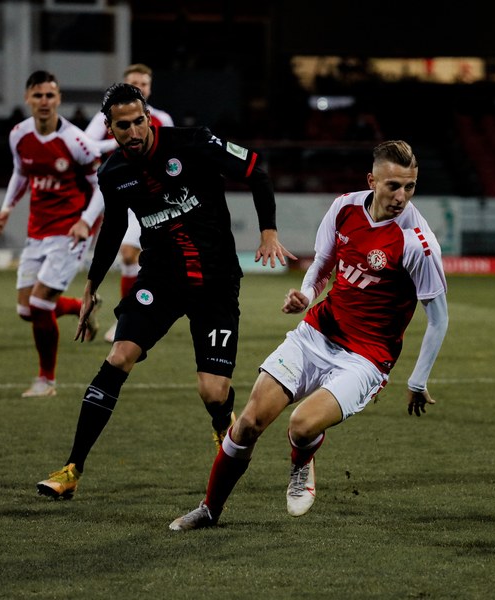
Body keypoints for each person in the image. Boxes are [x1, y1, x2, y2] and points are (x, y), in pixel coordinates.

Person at [169, 140, 449, 531]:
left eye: (410, 186)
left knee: (300, 426)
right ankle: (209, 509)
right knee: (248, 423)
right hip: (316, 333)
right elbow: (322, 265)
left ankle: (302, 461)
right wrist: (305, 295)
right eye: (393, 186)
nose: (401, 196)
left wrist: (417, 381)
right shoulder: (345, 208)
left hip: (365, 359)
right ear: (372, 181)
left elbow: (438, 318)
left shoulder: (418, 242)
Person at [35, 83, 296, 499]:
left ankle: (221, 424)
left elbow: (256, 172)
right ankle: (71, 470)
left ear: (148, 117)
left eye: (139, 121)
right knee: (119, 357)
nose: (134, 132)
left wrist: (268, 232)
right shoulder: (113, 173)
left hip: (216, 282)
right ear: (109, 128)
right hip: (160, 279)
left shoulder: (193, 142)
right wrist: (90, 286)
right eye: (123, 126)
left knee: (212, 390)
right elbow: (113, 229)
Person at [0, 71, 104, 398]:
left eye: (50, 95)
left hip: (70, 231)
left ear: (59, 99)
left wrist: (85, 222)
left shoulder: (76, 141)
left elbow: (102, 186)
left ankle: (46, 381)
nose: (44, 101)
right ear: (27, 98)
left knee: (40, 304)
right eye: (38, 95)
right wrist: (6, 208)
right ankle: (82, 306)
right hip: (37, 231)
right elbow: (20, 173)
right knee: (26, 310)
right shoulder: (19, 135)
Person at [84, 63, 175, 343]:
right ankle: (129, 319)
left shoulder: (161, 118)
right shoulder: (107, 118)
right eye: (134, 84)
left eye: (144, 84)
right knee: (127, 256)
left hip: (154, 198)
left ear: (150, 88)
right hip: (124, 194)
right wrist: (116, 142)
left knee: (146, 259)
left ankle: (139, 316)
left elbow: (172, 151)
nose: (140, 88)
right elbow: (85, 145)